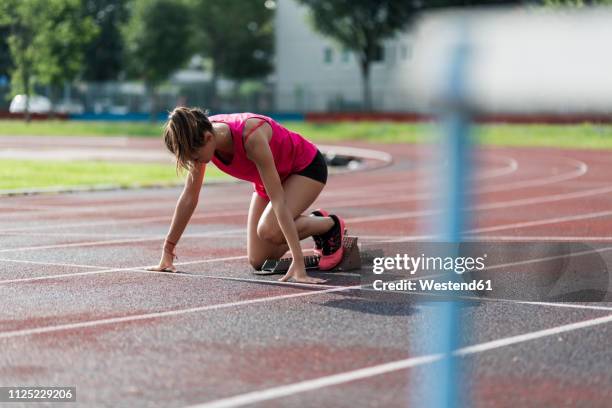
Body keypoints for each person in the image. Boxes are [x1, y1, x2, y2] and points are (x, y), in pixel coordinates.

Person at [147, 107, 346, 283]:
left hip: (305, 168)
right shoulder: (201, 134)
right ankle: (314, 222)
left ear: (208, 138)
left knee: (270, 229)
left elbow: (279, 200)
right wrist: (168, 251)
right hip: (268, 179)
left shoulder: (251, 137)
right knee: (259, 261)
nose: (195, 162)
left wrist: (299, 263)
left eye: (196, 157)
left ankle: (329, 225)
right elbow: (189, 197)